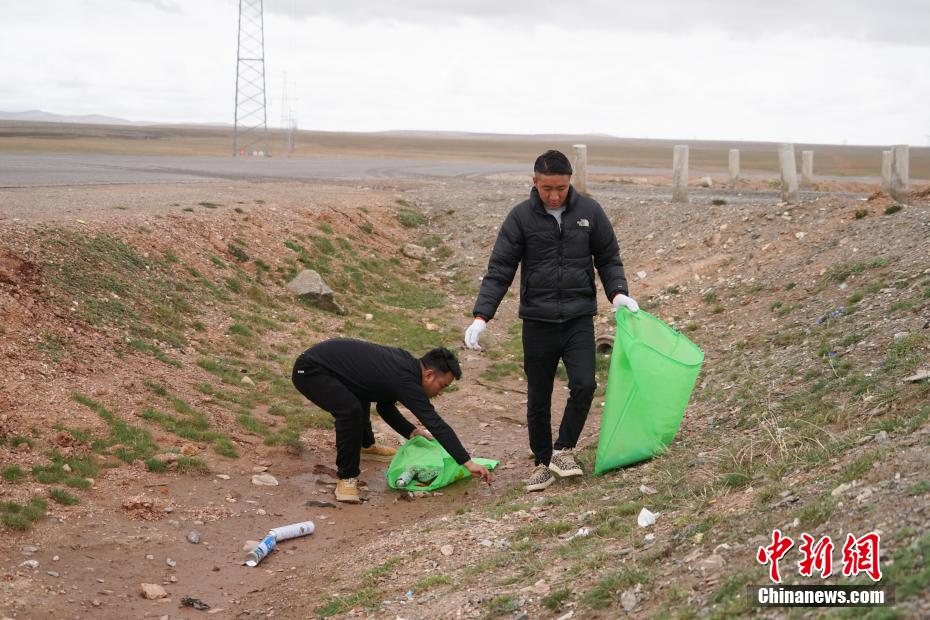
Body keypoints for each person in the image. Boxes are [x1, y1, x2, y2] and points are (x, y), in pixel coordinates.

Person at [464, 149, 639, 492]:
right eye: (547, 188)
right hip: (537, 321)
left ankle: (564, 450)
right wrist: (482, 316)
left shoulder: (590, 212)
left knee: (585, 384)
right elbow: (500, 269)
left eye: (561, 188)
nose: (555, 195)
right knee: (538, 396)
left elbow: (608, 258)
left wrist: (617, 293)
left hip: (578, 318)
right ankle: (542, 463)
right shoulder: (520, 218)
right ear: (534, 182)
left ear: (570, 181)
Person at [292, 338, 493, 503]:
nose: (440, 392)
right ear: (429, 374)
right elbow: (435, 423)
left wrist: (412, 432)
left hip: (328, 368)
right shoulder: (406, 379)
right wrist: (467, 462)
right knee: (350, 411)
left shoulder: (406, 367)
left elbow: (385, 407)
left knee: (360, 390)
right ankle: (346, 478)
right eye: (442, 386)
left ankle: (365, 446)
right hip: (310, 370)